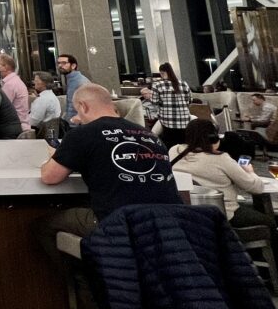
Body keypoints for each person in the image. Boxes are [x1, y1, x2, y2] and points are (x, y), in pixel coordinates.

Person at [38, 82, 180, 280]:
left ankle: (81, 293)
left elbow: (50, 177)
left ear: (83, 107)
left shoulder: (81, 134)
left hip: (118, 222)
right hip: (169, 223)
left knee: (45, 226)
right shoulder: (149, 135)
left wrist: (53, 156)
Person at [168, 119, 272, 232]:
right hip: (222, 213)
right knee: (269, 222)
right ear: (213, 137)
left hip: (188, 212)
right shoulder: (221, 158)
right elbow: (255, 188)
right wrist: (250, 172)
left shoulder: (174, 151)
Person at [142, 61, 191, 147]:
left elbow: (154, 101)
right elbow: (189, 101)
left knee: (169, 143)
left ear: (162, 73)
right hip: (185, 120)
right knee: (184, 143)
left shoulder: (158, 85)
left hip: (168, 120)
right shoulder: (184, 84)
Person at [0, 53, 31, 129]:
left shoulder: (10, 84)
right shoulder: (13, 80)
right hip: (18, 124)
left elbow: (1, 108)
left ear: (5, 67)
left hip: (15, 127)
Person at [57, 54, 87, 122]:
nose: (60, 66)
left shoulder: (79, 81)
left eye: (64, 63)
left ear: (73, 66)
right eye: (59, 63)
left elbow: (75, 105)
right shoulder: (71, 79)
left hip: (78, 123)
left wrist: (71, 121)